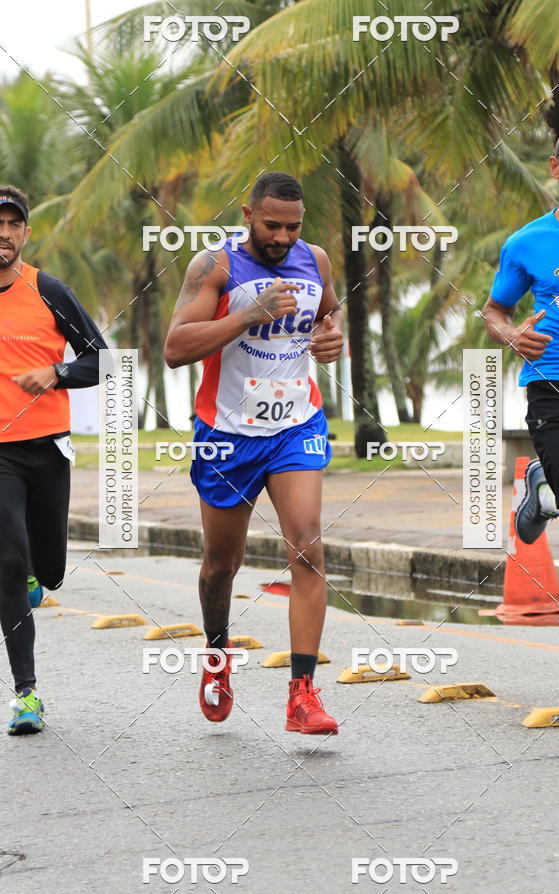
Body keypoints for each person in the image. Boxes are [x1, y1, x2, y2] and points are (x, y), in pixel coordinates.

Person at [164, 172, 343, 735]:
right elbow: (174, 348)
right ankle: (216, 656)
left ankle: (302, 695)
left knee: (309, 547)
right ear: (247, 214)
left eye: (293, 226)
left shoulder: (315, 259)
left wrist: (331, 340)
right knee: (222, 566)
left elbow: (329, 316)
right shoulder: (213, 267)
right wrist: (246, 315)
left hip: (296, 425)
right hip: (227, 432)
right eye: (272, 225)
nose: (283, 237)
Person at [482, 123, 559, 629]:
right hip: (558, 389)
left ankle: (547, 487)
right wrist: (511, 336)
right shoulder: (526, 243)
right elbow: (493, 311)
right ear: (556, 168)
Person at [0, 186, 107, 734]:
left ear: (25, 232)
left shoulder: (48, 291)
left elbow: (103, 363)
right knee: (9, 564)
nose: (3, 232)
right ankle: (26, 696)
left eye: (13, 223)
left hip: (47, 448)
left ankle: (41, 579)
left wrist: (58, 372)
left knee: (50, 570)